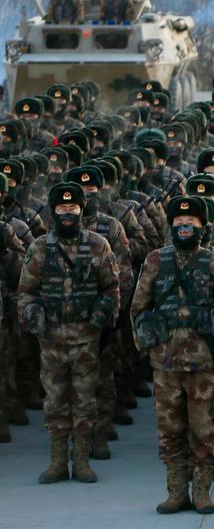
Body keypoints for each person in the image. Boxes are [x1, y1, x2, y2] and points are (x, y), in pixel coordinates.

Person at [131, 196, 214, 514]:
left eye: (191, 222)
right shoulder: (155, 261)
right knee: (170, 430)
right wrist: (147, 342)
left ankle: (203, 490)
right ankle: (176, 490)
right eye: (179, 222)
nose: (184, 227)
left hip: (203, 361)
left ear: (202, 226)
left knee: (204, 429)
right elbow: (139, 306)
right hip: (165, 363)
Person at [16, 181, 119, 485]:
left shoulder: (99, 245)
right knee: (55, 401)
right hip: (51, 339)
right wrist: (34, 318)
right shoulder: (38, 248)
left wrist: (103, 314)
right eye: (61, 208)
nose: (67, 213)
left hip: (87, 338)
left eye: (72, 208)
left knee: (85, 400)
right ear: (53, 211)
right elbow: (26, 292)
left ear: (81, 209)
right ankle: (58, 461)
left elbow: (112, 288)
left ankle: (83, 460)